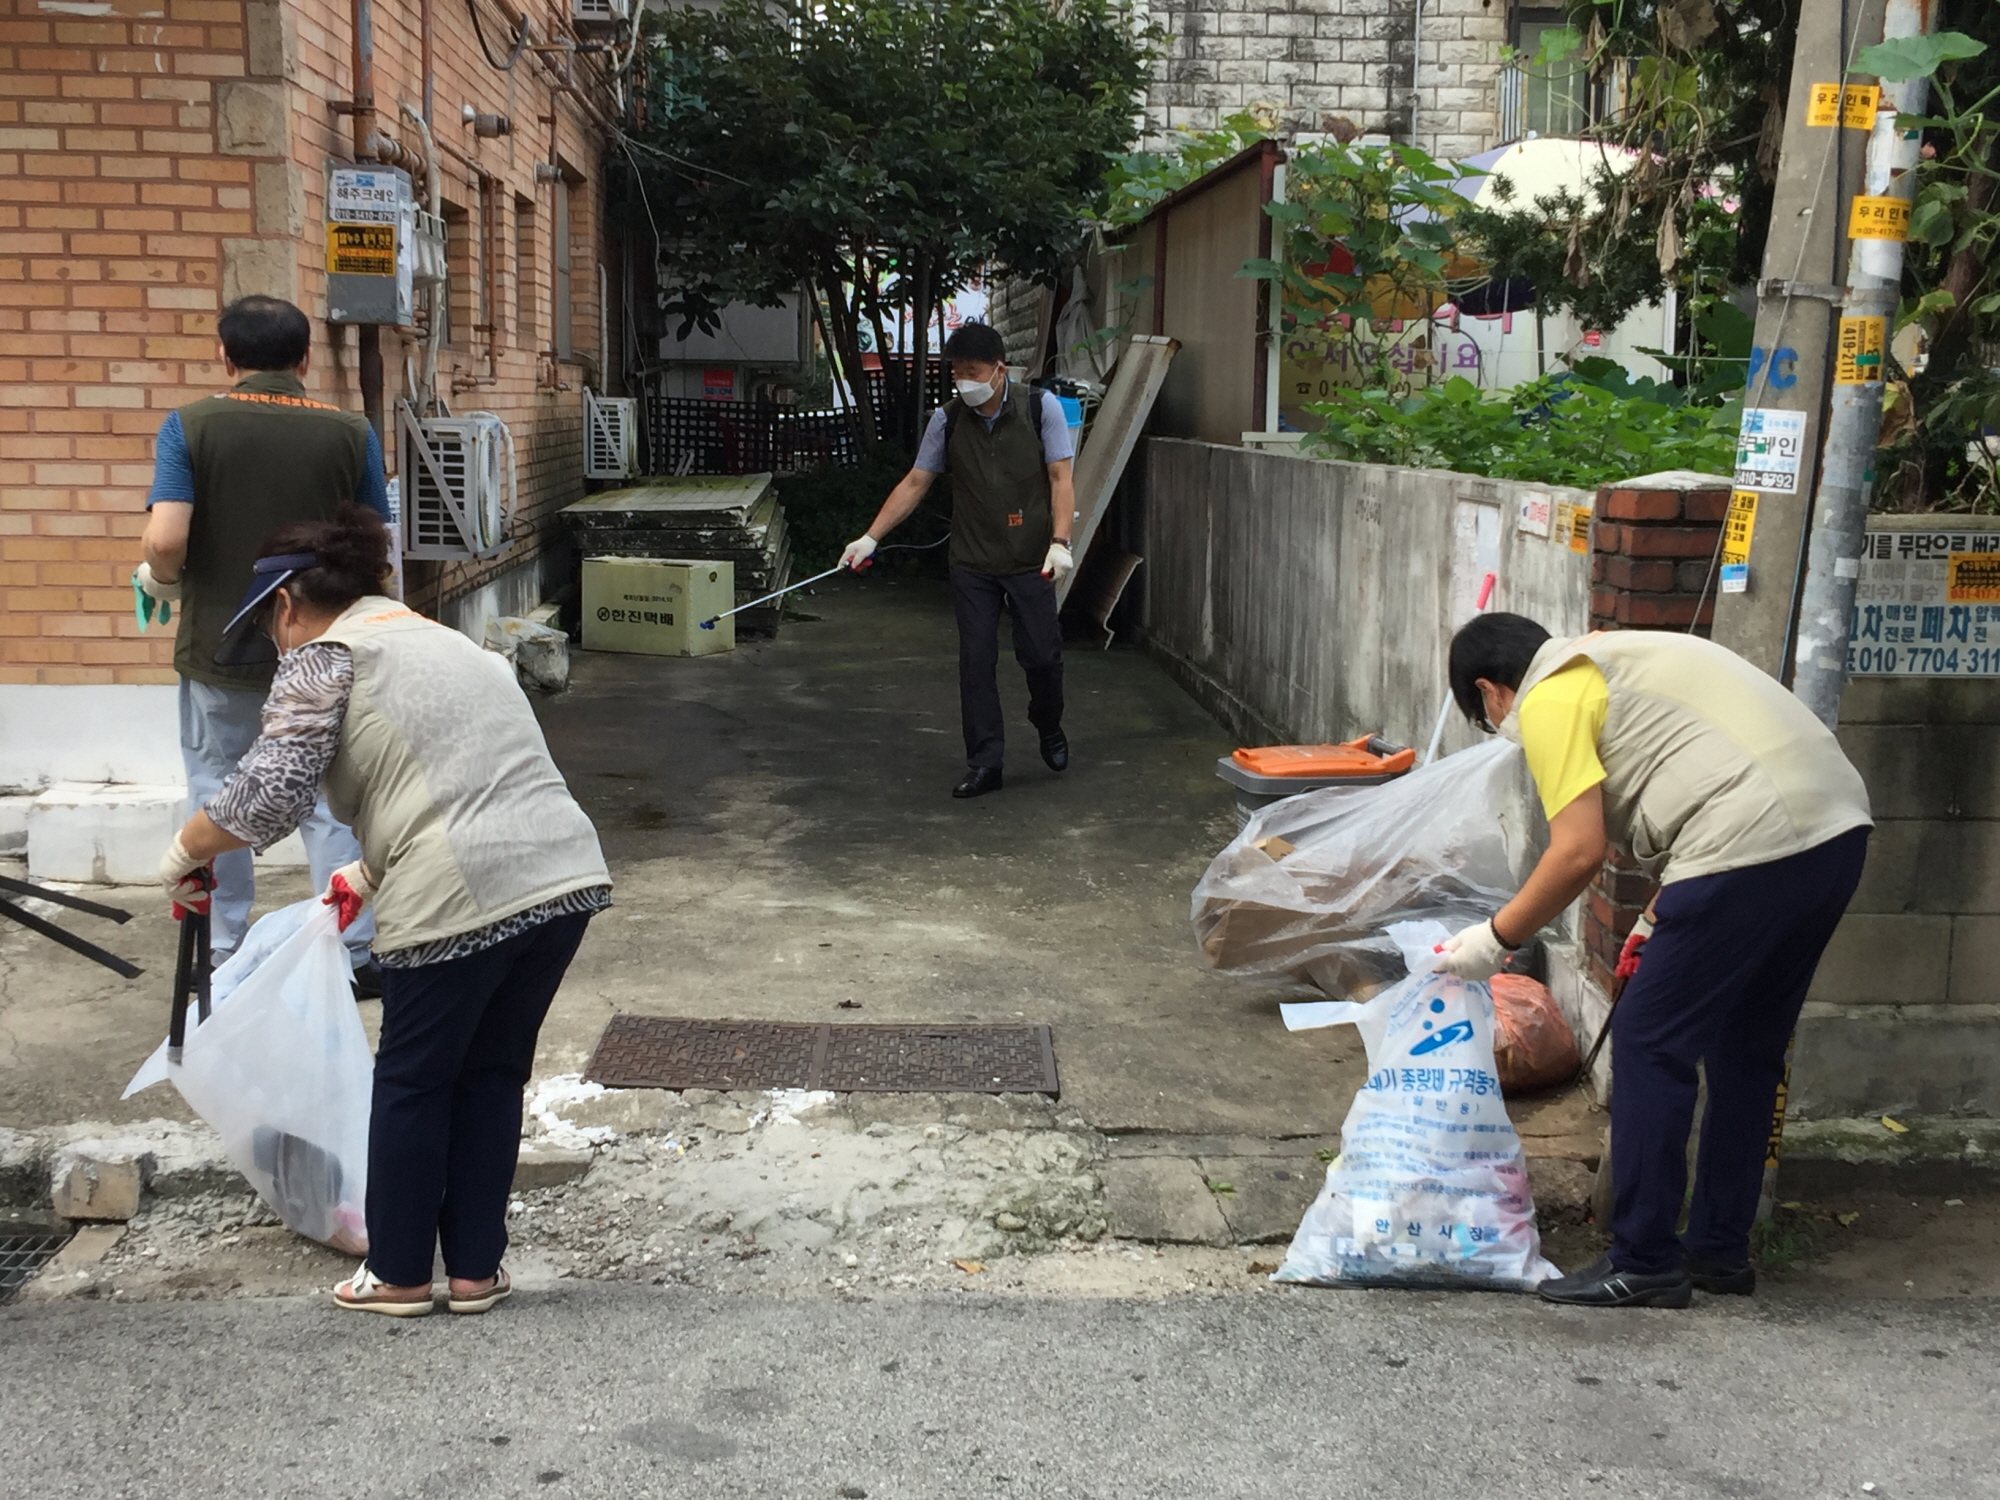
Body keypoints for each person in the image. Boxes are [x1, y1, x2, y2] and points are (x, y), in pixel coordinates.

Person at [156, 507, 611, 1317]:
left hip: (457, 895)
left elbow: (268, 793)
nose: (276, 640)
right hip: (562, 880)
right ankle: (474, 1271)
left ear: (289, 603)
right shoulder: (446, 643)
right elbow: (454, 777)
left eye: (272, 622)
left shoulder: (328, 655)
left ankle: (398, 1272)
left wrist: (187, 850)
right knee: (492, 1073)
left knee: (411, 1080)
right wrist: (363, 875)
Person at [1433, 616, 1872, 1308]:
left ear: (1492, 691)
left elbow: (1576, 850)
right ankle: (1718, 1252)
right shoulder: (1615, 656)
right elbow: (1700, 780)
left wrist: (1493, 939)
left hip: (1747, 838)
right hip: (1835, 833)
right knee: (1748, 1048)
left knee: (1646, 1039)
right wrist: (1662, 912)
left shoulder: (1548, 695)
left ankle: (1642, 1258)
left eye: (1487, 715)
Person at [138, 295, 390, 989]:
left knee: (221, 792)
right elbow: (378, 541)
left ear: (225, 356)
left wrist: (159, 577)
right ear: (305, 359)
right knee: (328, 796)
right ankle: (353, 951)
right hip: (327, 645)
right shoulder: (350, 432)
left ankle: (219, 950)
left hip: (222, 649)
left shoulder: (189, 426)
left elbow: (166, 538)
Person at [840, 322, 1077, 799]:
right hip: (972, 561)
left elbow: (1060, 477)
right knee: (976, 662)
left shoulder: (1039, 407)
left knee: (1043, 657)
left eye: (973, 372)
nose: (964, 382)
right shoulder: (946, 420)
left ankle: (1047, 721)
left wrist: (1060, 540)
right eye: (957, 373)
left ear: (998, 370)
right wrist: (870, 537)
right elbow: (915, 483)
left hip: (1033, 557)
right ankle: (985, 762)